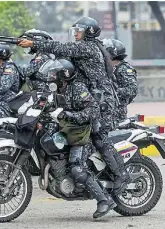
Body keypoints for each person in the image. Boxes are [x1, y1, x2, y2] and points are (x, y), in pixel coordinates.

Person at [17, 16, 130, 195]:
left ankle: (120, 174)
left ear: (89, 32)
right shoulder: (84, 48)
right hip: (91, 96)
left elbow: (61, 47)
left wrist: (34, 44)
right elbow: (61, 55)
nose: (76, 34)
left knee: (97, 135)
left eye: (79, 31)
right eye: (75, 31)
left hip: (103, 101)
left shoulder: (89, 47)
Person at [49, 59, 117, 218]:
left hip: (83, 132)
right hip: (70, 130)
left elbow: (93, 111)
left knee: (76, 168)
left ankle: (104, 199)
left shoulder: (77, 88)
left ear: (63, 75)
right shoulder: (59, 90)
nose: (51, 76)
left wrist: (70, 115)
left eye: (54, 74)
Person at [102, 38, 138, 124]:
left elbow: (132, 89)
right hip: (103, 113)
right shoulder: (105, 68)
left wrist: (112, 92)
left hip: (116, 116)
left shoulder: (124, 69)